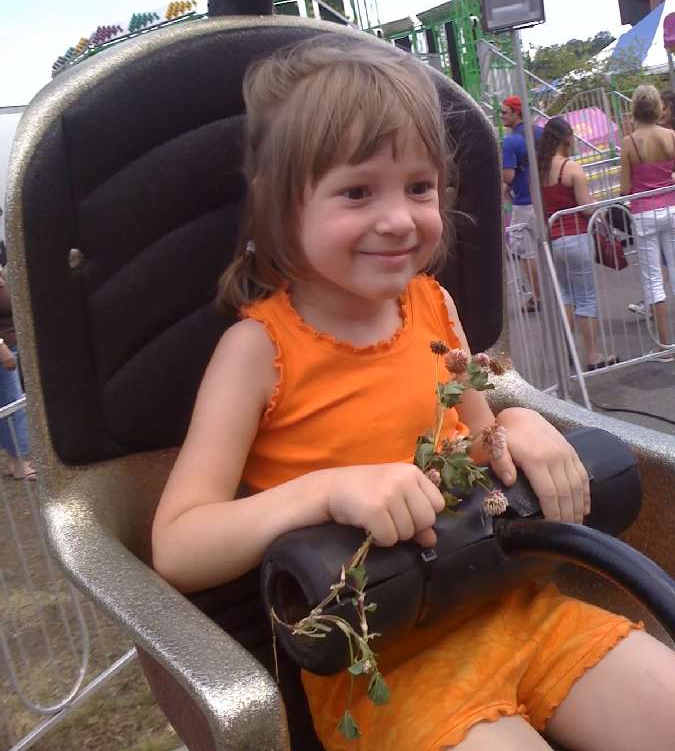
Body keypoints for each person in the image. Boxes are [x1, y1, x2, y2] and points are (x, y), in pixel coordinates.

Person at [152, 39, 675, 751]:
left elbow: (484, 445)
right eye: (357, 192)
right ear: (279, 206)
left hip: (515, 604)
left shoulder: (434, 308)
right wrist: (326, 491)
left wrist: (519, 428)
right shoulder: (256, 351)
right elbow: (179, 542)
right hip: (389, 664)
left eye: (419, 188)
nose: (399, 218)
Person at [538, 118, 608, 369]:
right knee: (586, 297)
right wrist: (599, 206)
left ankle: (566, 349)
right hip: (577, 236)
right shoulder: (572, 168)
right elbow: (586, 207)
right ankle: (593, 354)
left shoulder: (541, 170)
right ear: (566, 138)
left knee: (567, 296)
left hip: (556, 240)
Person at [620, 85, 675, 359]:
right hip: (672, 207)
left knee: (653, 279)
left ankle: (665, 345)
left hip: (644, 213)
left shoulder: (629, 143)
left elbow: (624, 188)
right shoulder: (670, 136)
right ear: (657, 107)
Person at [501, 96, 543, 313]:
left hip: (523, 202)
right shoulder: (540, 132)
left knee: (526, 253)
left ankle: (537, 296)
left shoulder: (511, 142)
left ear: (516, 113)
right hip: (544, 198)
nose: (501, 116)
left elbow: (508, 176)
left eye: (504, 112)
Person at [0, 270, 33, 479]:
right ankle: (20, 463)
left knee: (8, 406)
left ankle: (15, 462)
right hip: (4, 349)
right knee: (13, 406)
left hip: (11, 343)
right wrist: (1, 348)